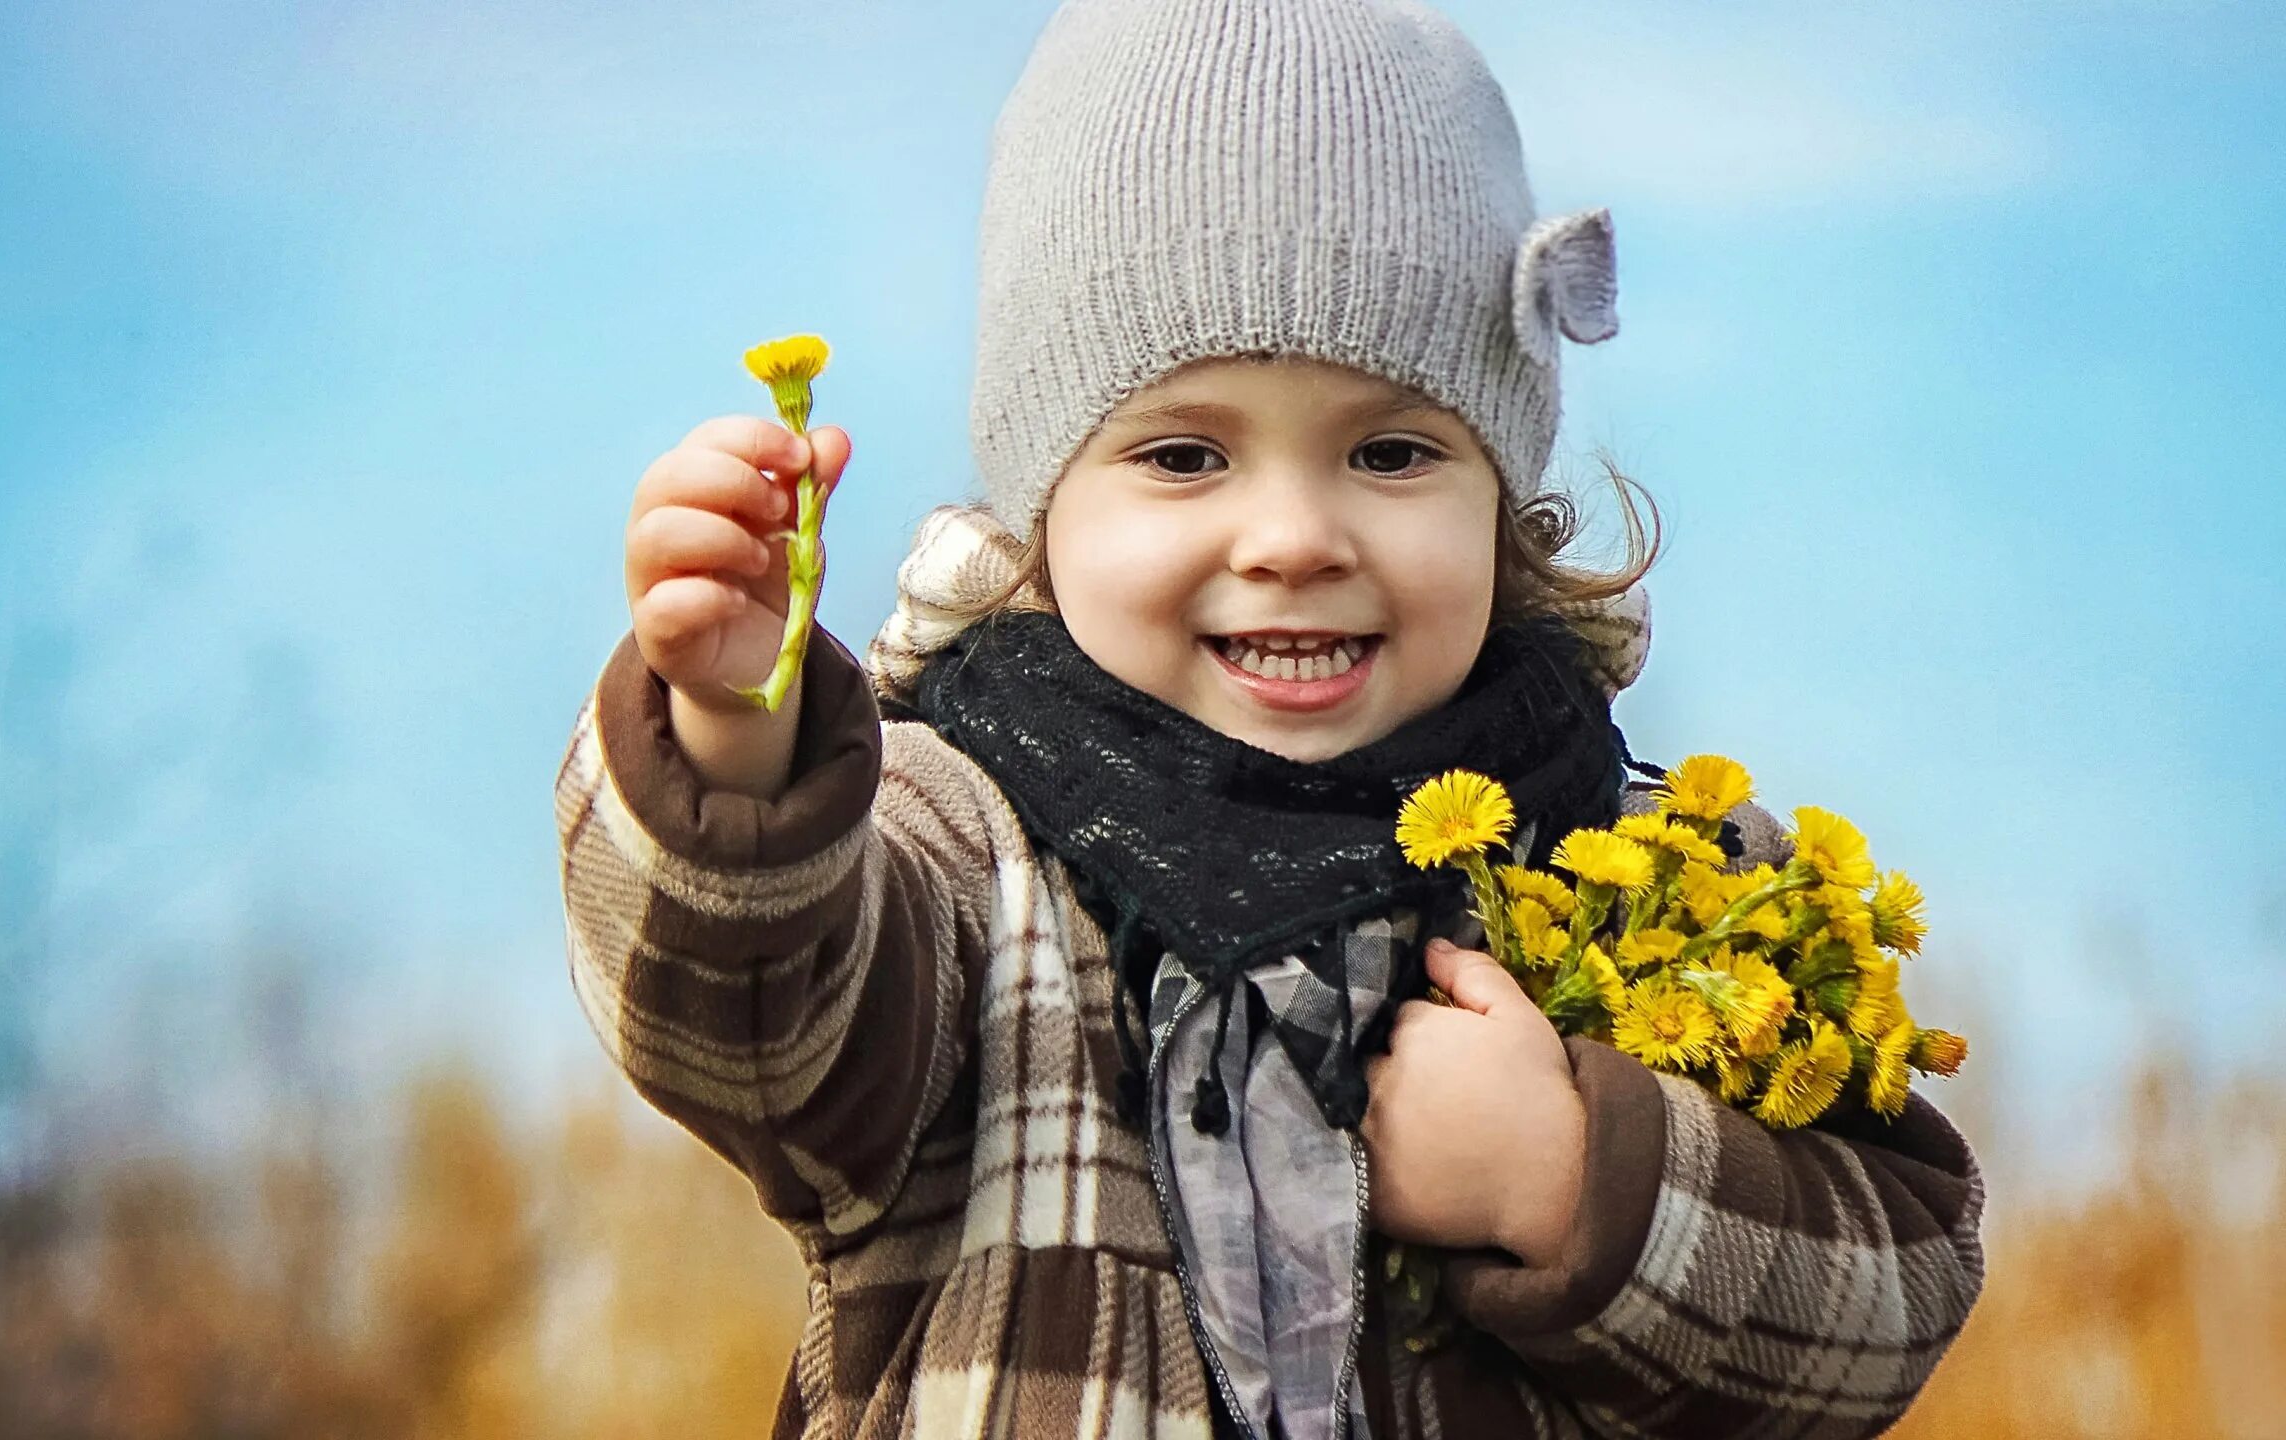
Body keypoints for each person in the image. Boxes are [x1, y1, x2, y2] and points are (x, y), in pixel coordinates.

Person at [558, 0, 1986, 1434]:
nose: (1293, 536)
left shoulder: (1646, 873)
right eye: (1185, 455)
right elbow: (745, 1028)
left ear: (1505, 494)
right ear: (1046, 512)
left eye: (1390, 450)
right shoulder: (960, 845)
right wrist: (739, 743)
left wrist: (1574, 1179)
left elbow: (1892, 1299)